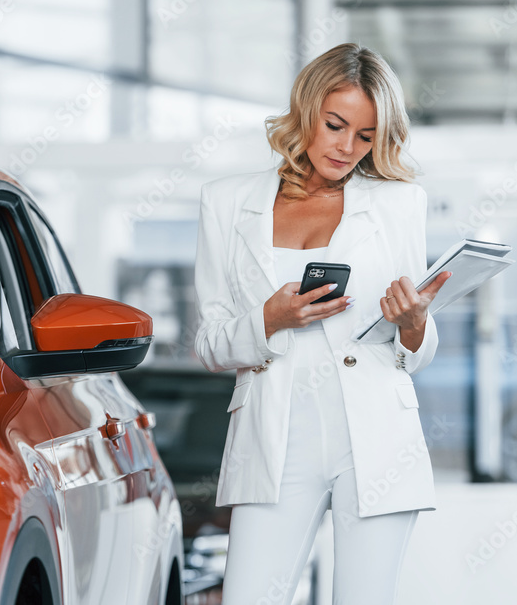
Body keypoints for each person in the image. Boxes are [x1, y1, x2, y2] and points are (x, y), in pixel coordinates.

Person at [193, 42, 452, 605]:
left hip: (376, 433)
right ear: (306, 110)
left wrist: (413, 323)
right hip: (273, 435)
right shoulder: (225, 202)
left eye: (365, 136)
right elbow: (210, 344)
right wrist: (270, 317)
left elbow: (416, 350)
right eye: (336, 125)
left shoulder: (400, 203)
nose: (347, 147)